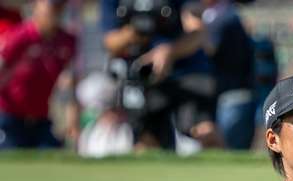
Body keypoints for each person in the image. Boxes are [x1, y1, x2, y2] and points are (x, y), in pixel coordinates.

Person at [101, 0, 219, 149]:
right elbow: (109, 41)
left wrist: (169, 51)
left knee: (203, 132)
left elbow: (197, 33)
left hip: (187, 72)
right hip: (144, 77)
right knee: (146, 142)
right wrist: (133, 32)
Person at [0, 0, 77, 150]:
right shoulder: (20, 36)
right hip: (9, 117)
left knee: (54, 152)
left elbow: (67, 82)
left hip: (40, 119)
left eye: (60, 6)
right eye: (51, 5)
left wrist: (71, 119)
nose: (56, 10)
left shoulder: (66, 41)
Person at [182, 0, 256, 149]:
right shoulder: (222, 13)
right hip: (227, 93)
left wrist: (195, 31)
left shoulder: (224, 16)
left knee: (229, 149)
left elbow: (210, 48)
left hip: (233, 95)